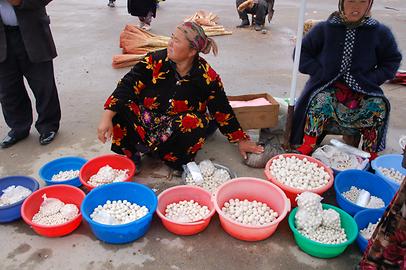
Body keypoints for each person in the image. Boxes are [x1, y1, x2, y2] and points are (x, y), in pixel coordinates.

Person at [97, 22, 263, 173]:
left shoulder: (206, 77)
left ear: (191, 51)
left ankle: (174, 160)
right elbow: (127, 85)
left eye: (176, 41)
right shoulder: (154, 61)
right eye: (171, 37)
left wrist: (241, 139)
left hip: (175, 128)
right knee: (120, 106)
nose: (170, 43)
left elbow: (222, 109)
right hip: (148, 120)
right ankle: (134, 153)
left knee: (195, 122)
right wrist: (107, 116)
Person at [290, 0, 402, 160]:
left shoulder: (380, 32)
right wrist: (319, 72)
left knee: (379, 107)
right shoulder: (325, 29)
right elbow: (302, 53)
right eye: (350, 1)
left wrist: (372, 78)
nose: (356, 7)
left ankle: (370, 154)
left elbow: (392, 60)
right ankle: (308, 144)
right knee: (319, 101)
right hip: (326, 87)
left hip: (364, 89)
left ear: (369, 4)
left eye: (362, 1)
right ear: (342, 3)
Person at [0, 0, 61, 148]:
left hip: (33, 33)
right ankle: (19, 127)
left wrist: (19, 1)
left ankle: (48, 125)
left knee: (43, 84)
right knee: (8, 88)